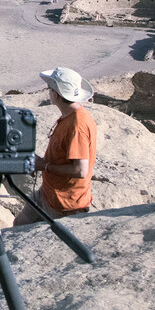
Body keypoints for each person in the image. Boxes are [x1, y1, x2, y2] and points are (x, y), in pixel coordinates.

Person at [13, 67, 97, 226]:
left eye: (50, 89)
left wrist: (44, 166)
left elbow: (80, 170)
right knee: (20, 222)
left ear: (57, 94)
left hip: (65, 202)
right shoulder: (69, 117)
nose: (48, 92)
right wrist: (41, 164)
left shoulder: (77, 125)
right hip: (49, 192)